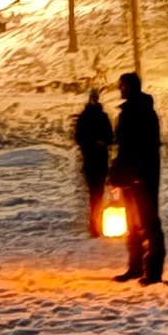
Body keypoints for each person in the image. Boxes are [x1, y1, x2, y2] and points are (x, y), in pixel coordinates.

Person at [110, 71, 165, 284]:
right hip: (130, 175)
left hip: (143, 175)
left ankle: (152, 271)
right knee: (132, 222)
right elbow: (123, 147)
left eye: (122, 85)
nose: (119, 89)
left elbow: (141, 146)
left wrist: (137, 172)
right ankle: (135, 266)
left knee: (148, 222)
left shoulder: (142, 112)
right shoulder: (129, 112)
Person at [73, 89, 114, 237]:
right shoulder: (89, 117)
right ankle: (95, 224)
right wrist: (94, 143)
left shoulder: (96, 117)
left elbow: (110, 137)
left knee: (97, 194)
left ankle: (96, 224)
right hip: (93, 159)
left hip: (97, 159)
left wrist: (102, 142)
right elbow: (79, 137)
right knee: (95, 194)